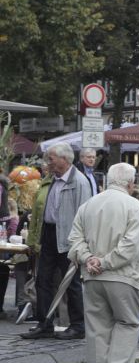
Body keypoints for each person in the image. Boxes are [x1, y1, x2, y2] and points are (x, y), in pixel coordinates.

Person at [67, 162, 139, 363]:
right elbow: (131, 246)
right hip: (123, 275)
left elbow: (75, 240)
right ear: (131, 183)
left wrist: (88, 258)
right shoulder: (134, 206)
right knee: (127, 322)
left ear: (107, 181)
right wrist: (104, 262)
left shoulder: (88, 205)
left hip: (92, 276)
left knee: (96, 328)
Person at [22, 142, 92, 340]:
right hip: (49, 234)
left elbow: (85, 214)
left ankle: (78, 326)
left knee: (71, 282)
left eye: (51, 158)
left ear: (64, 159)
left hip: (69, 238)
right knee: (43, 280)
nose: (48, 162)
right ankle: (45, 324)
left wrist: (80, 243)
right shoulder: (53, 178)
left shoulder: (79, 181)